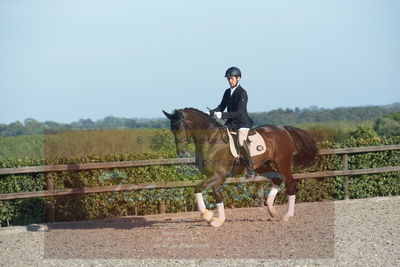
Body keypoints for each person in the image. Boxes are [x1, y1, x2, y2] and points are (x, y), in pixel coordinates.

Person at [208, 66, 256, 178]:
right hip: (231, 123)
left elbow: (239, 112)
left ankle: (250, 168)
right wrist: (209, 113)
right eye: (228, 79)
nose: (230, 81)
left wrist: (222, 116)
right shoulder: (227, 92)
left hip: (242, 123)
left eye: (232, 78)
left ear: (238, 78)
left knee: (240, 141)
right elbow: (221, 107)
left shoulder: (242, 93)